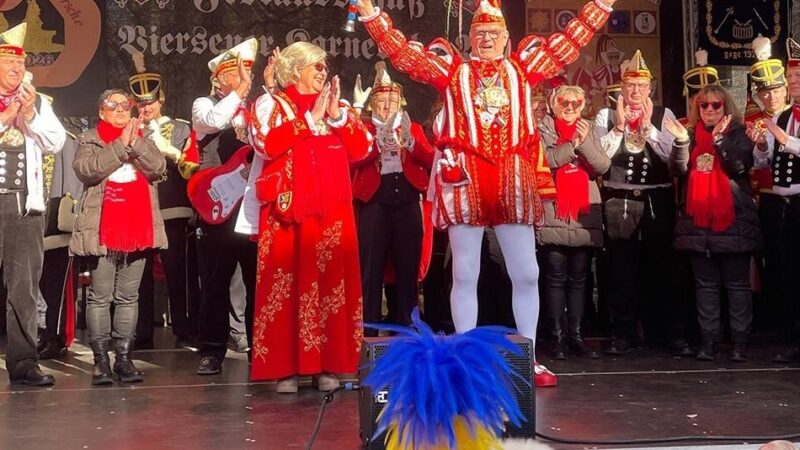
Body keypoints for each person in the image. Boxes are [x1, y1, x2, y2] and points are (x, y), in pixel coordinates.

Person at [354, 0, 615, 388]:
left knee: (527, 272)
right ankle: (464, 355)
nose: (487, 39)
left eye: (494, 34)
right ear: (470, 38)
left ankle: (528, 354)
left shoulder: (523, 68)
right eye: (480, 34)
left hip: (512, 176)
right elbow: (404, 54)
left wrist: (600, 6)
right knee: (465, 272)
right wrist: (372, 15)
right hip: (467, 177)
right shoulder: (453, 71)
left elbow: (568, 42)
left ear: (507, 38)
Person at [247, 41, 370, 393]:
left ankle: (326, 366)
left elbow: (363, 149)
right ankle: (286, 369)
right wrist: (308, 120)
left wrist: (337, 118)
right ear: (295, 68)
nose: (322, 72)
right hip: (288, 215)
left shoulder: (335, 107)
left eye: (324, 66)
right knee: (286, 284)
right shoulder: (272, 104)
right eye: (316, 66)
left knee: (330, 285)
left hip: (332, 217)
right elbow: (264, 143)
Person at [593, 50, 688, 356]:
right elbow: (599, 159)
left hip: (656, 198)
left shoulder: (664, 114)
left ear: (650, 89)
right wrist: (620, 128)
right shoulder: (605, 116)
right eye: (630, 85)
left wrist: (648, 128)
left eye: (641, 86)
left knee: (660, 266)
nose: (635, 91)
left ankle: (663, 332)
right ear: (622, 87)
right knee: (621, 268)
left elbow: (674, 160)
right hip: (619, 199)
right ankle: (623, 333)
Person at [70, 89, 166, 384]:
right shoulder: (89, 139)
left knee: (128, 297)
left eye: (126, 105)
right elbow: (87, 170)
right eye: (114, 105)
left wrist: (135, 143)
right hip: (103, 229)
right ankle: (101, 361)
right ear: (102, 111)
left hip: (138, 228)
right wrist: (120, 146)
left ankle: (124, 359)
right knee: (100, 297)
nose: (122, 109)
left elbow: (158, 168)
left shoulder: (142, 137)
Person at [665, 85, 762, 361]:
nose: (709, 110)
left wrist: (719, 140)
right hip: (698, 224)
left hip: (732, 223)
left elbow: (739, 166)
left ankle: (740, 343)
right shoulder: (689, 134)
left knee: (737, 286)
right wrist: (681, 142)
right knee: (705, 287)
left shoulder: (739, 134)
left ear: (725, 107)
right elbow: (677, 169)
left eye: (715, 105)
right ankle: (709, 342)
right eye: (704, 105)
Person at [0, 23, 67, 386]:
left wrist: (29, 116)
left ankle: (24, 362)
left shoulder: (37, 102)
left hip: (24, 207)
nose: (17, 68)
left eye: (21, 63)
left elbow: (56, 142)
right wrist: (6, 117)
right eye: (9, 62)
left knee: (24, 286)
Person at [190, 38, 260, 375]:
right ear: (219, 78)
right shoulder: (203, 104)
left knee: (257, 281)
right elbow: (213, 122)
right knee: (215, 279)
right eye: (235, 73)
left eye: (247, 72)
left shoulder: (258, 107)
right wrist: (239, 93)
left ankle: (260, 350)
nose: (244, 78)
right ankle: (212, 350)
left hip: (251, 206)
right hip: (218, 206)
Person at [351, 62, 435, 334]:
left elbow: (430, 159)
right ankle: (369, 331)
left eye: (392, 101)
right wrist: (377, 144)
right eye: (381, 101)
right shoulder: (363, 129)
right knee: (371, 269)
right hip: (374, 203)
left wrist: (411, 142)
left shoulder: (413, 128)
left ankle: (407, 327)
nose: (387, 106)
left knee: (407, 267)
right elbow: (353, 158)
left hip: (407, 202)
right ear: (372, 104)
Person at [128, 55, 200, 349]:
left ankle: (184, 328)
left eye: (151, 102)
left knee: (177, 270)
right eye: (141, 103)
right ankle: (143, 331)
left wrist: (172, 151)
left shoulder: (180, 128)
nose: (146, 108)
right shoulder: (131, 130)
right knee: (140, 274)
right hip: (140, 209)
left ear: (161, 100)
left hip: (171, 207)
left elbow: (192, 168)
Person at [537, 85, 609, 359]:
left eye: (576, 103)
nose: (570, 108)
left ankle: (577, 336)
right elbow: (543, 161)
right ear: (553, 104)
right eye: (564, 102)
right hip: (554, 211)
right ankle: (556, 338)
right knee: (555, 278)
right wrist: (572, 147)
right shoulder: (541, 129)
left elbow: (602, 166)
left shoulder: (589, 129)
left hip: (583, 213)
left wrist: (585, 141)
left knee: (579, 278)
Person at [747, 37, 800, 364]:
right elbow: (765, 162)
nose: (792, 84)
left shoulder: (784, 124)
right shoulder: (780, 118)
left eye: (795, 78)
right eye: (791, 78)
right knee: (786, 269)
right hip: (780, 203)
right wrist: (763, 146)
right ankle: (791, 333)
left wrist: (787, 141)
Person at [38, 128, 81, 359]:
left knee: (58, 288)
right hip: (31, 222)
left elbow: (72, 187)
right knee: (39, 287)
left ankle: (58, 337)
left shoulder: (66, 141)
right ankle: (44, 334)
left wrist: (67, 217)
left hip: (56, 225)